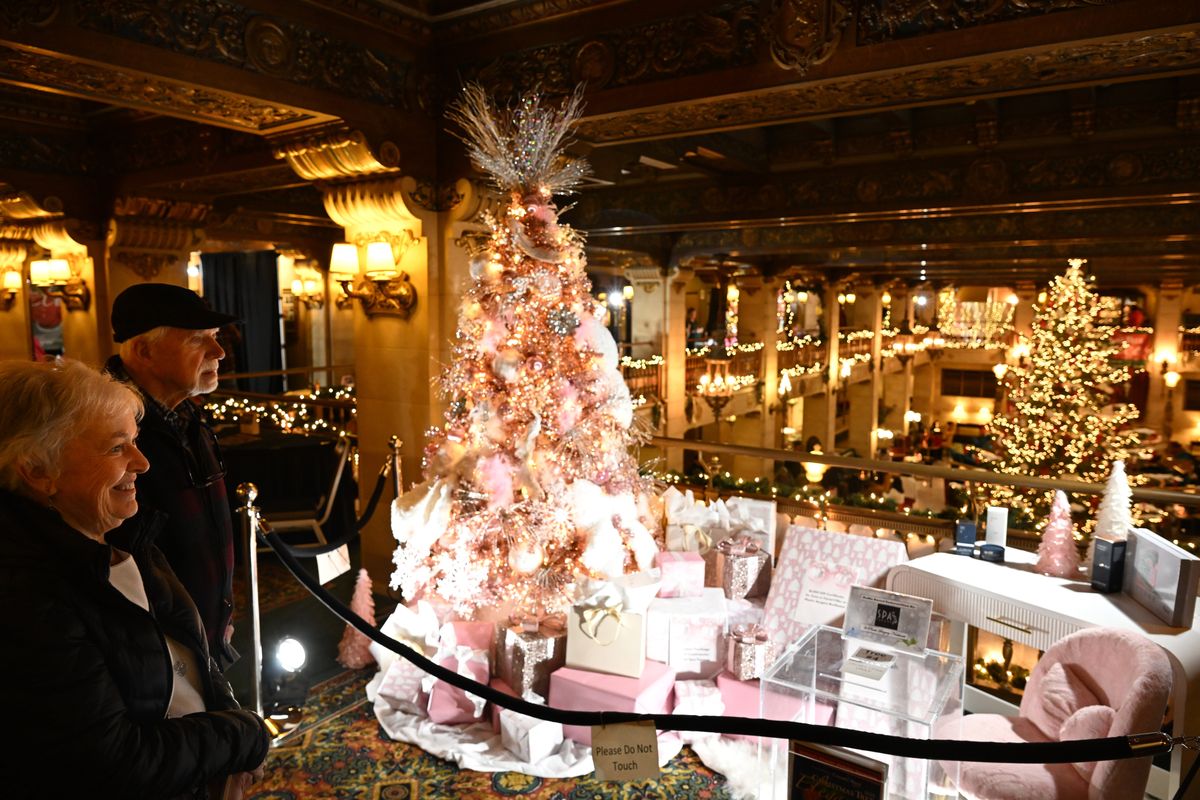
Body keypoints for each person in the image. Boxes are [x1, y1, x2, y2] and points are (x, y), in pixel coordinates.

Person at [0, 358, 270, 798]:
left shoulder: (126, 534)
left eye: (136, 442)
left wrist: (230, 736)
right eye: (116, 448)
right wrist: (244, 738)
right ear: (37, 470)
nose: (143, 463)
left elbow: (188, 654)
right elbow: (111, 762)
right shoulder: (24, 593)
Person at [106, 283, 241, 669]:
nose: (219, 352)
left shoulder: (187, 415)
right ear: (144, 350)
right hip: (151, 650)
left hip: (203, 632)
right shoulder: (102, 429)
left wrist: (218, 617)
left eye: (214, 338)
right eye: (199, 340)